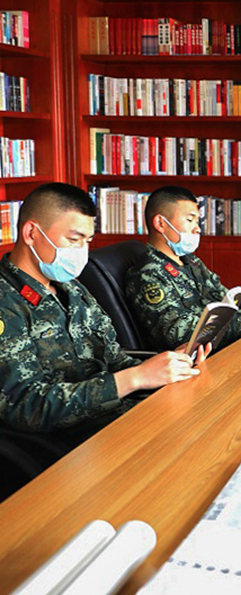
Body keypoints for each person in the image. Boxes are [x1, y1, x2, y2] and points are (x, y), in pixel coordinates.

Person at [0, 183, 208, 444]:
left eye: (87, 241)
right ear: (31, 233)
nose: (82, 251)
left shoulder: (71, 288)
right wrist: (135, 378)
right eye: (73, 240)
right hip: (72, 439)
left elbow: (114, 359)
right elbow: (27, 406)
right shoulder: (6, 302)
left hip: (118, 413)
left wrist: (169, 367)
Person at [124, 186, 241, 351]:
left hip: (224, 346)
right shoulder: (147, 274)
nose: (197, 229)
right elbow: (177, 334)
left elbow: (225, 300)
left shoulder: (190, 261)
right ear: (160, 223)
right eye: (190, 220)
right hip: (197, 359)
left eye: (197, 221)